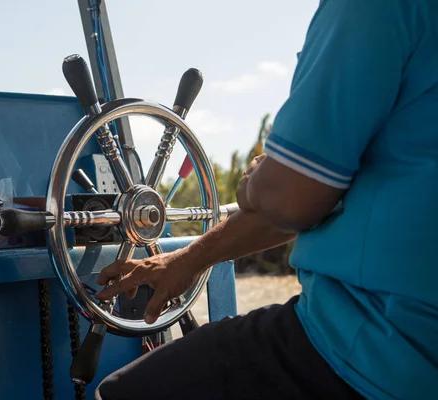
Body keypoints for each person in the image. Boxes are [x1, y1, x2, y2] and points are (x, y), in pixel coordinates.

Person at [93, 0, 438, 399]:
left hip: (378, 350)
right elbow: (313, 197)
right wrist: (188, 258)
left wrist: (255, 184)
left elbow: (289, 197)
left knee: (121, 393)